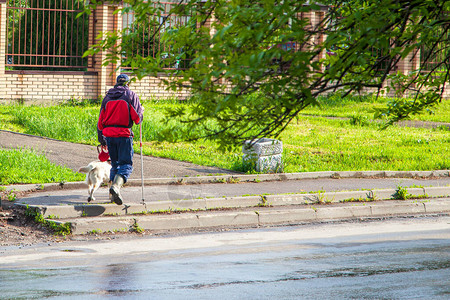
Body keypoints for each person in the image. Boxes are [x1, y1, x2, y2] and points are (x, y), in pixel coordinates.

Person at [97, 74, 144, 205]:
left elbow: (100, 122)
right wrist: (141, 112)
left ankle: (112, 195)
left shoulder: (107, 97)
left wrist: (102, 140)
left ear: (116, 83)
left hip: (109, 136)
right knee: (126, 165)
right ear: (127, 84)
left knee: (115, 165)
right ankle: (116, 187)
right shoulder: (130, 95)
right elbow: (137, 118)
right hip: (124, 135)